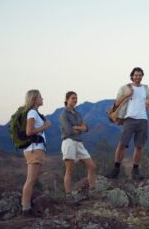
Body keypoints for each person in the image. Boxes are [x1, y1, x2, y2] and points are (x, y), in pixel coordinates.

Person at [106, 67, 149, 180]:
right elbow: (116, 103)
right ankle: (116, 169)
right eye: (136, 75)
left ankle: (135, 171)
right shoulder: (125, 88)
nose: (138, 77)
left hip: (143, 120)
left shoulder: (145, 89)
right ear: (132, 76)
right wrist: (127, 95)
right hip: (129, 119)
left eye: (140, 75)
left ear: (142, 76)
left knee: (139, 146)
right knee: (122, 144)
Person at [59, 91, 97, 199]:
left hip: (79, 143)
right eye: (72, 98)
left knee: (92, 166)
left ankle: (93, 190)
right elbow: (69, 131)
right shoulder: (63, 114)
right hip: (69, 142)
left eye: (76, 98)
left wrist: (77, 128)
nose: (75, 100)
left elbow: (86, 128)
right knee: (69, 170)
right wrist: (79, 128)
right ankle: (69, 195)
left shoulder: (78, 114)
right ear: (67, 100)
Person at [21, 89, 52, 217]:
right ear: (34, 99)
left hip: (35, 149)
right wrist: (45, 126)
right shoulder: (32, 112)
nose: (42, 98)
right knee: (30, 181)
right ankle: (26, 209)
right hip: (34, 149)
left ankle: (27, 207)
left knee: (31, 180)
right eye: (40, 97)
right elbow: (29, 131)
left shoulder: (34, 113)